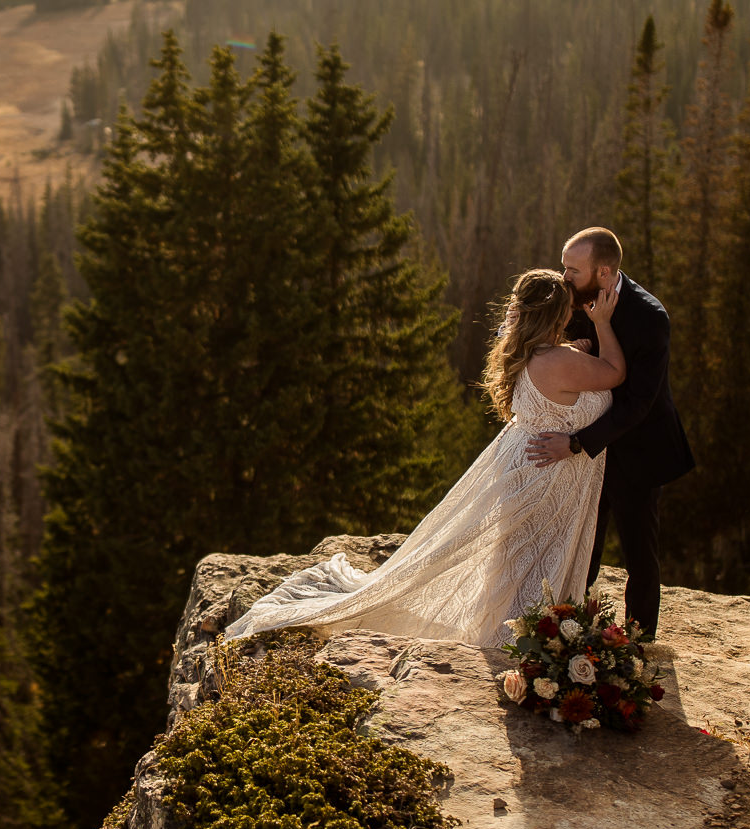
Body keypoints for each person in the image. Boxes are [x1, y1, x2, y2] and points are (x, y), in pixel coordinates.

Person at [221, 267, 625, 646]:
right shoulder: (561, 361)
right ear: (556, 316)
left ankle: (519, 632)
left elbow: (562, 372)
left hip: (527, 463)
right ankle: (520, 638)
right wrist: (604, 323)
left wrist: (573, 349)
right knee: (530, 561)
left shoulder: (533, 352)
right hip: (546, 475)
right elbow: (614, 373)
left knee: (517, 559)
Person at [523, 227, 694, 639]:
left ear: (602, 272)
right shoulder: (574, 299)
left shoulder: (650, 318)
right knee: (583, 545)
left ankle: (639, 642)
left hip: (637, 448)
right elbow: (536, 334)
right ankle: (567, 634)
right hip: (584, 450)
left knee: (640, 551)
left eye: (572, 269)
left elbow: (638, 403)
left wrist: (577, 443)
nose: (564, 276)